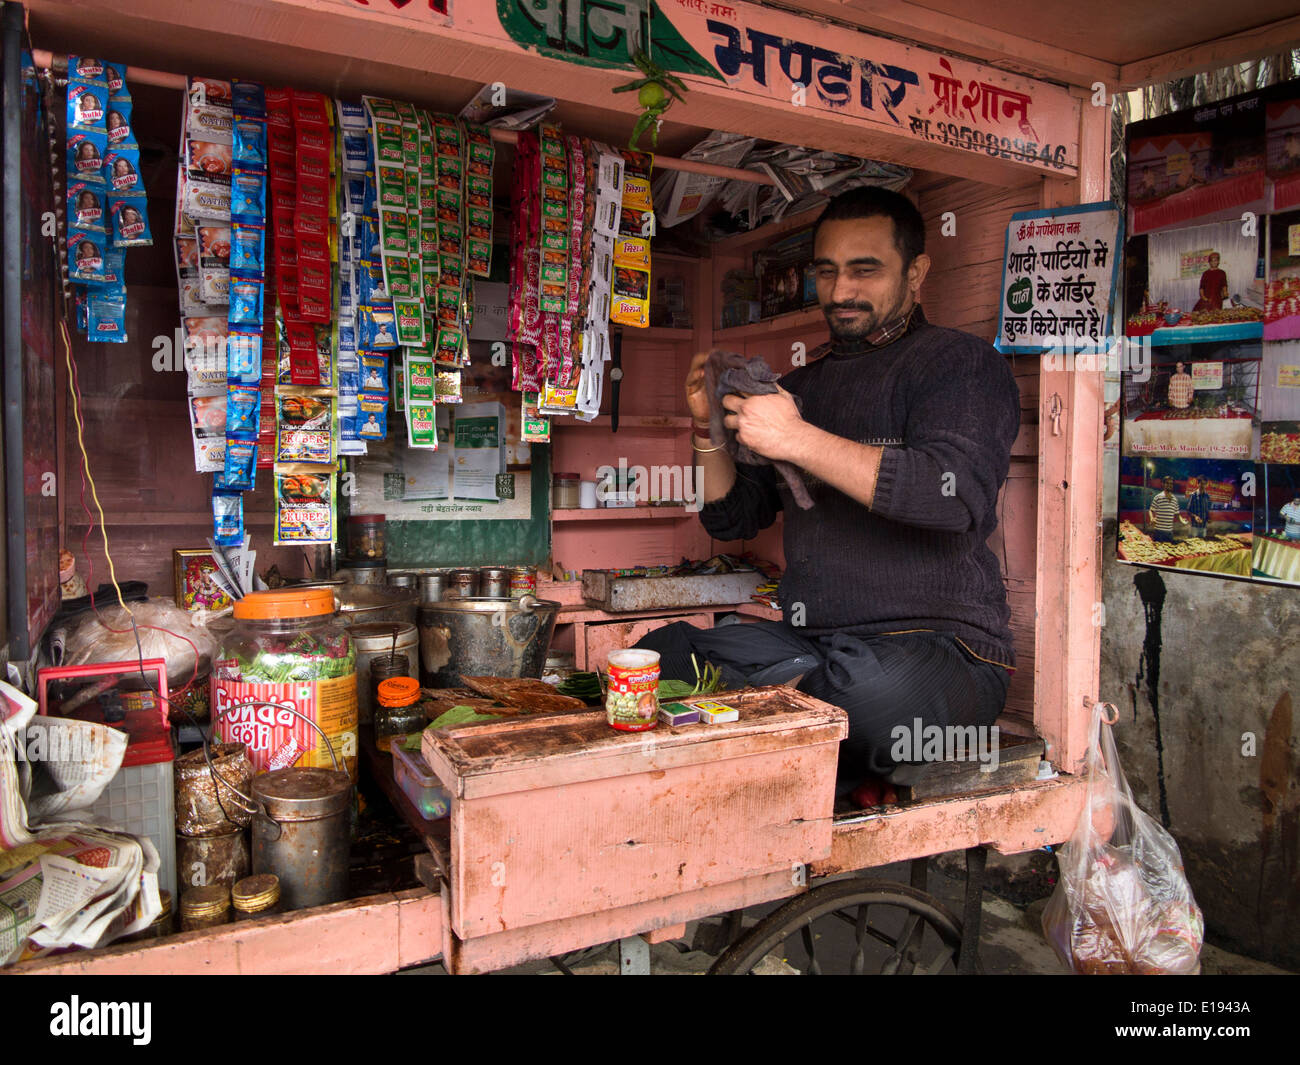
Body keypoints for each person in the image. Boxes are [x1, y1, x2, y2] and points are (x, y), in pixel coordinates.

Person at [635, 186, 1020, 792]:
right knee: (658, 662)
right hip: (813, 640)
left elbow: (953, 498)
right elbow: (734, 517)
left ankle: (785, 699)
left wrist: (796, 438)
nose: (841, 292)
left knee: (862, 701)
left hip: (943, 652)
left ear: (916, 272)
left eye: (865, 271)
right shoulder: (799, 386)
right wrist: (706, 428)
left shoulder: (960, 364)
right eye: (828, 272)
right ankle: (789, 694)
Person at [1148, 477, 1188, 542]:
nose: (1169, 485)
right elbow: (1151, 510)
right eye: (1167, 483)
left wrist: (1182, 520)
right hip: (1159, 532)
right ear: (1163, 484)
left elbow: (1177, 514)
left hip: (1169, 532)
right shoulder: (1158, 497)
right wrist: (1151, 518)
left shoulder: (1175, 499)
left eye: (1171, 483)